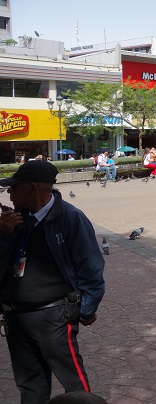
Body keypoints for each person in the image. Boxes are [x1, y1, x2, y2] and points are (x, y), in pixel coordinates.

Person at [0, 161, 105, 402]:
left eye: (14, 187)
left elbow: (90, 267)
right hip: (16, 316)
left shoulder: (69, 218)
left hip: (54, 316)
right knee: (30, 387)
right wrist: (3, 236)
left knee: (74, 385)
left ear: (32, 188)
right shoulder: (13, 220)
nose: (9, 192)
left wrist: (84, 310)